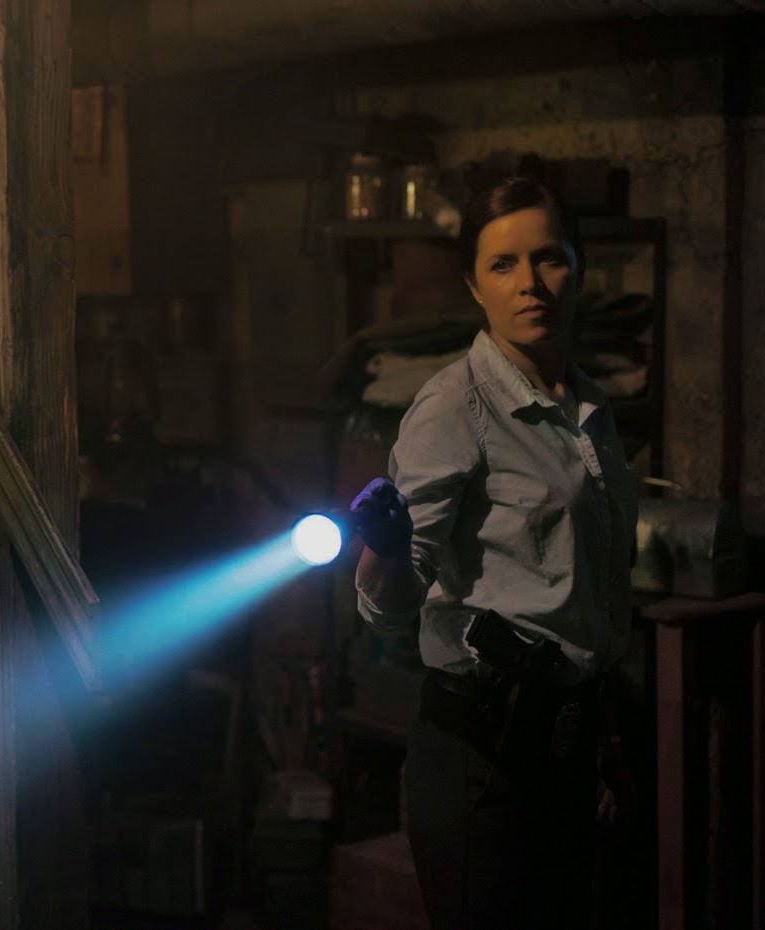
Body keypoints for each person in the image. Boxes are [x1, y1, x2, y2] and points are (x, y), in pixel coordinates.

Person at [349, 176, 638, 930]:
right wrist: (386, 549)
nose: (530, 282)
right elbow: (391, 606)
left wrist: (601, 739)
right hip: (480, 757)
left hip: (568, 748)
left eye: (549, 258)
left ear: (578, 265)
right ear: (475, 286)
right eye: (503, 264)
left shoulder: (590, 409)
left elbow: (595, 595)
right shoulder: (457, 406)